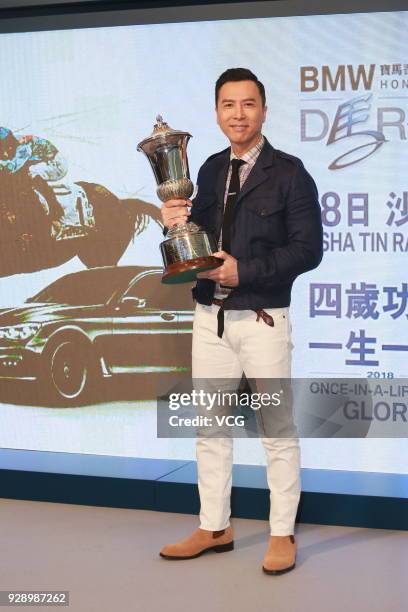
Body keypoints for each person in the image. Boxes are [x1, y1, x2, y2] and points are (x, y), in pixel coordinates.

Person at [159, 68, 323, 574]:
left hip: (263, 319)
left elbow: (309, 250)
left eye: (248, 104)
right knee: (209, 429)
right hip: (210, 318)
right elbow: (195, 245)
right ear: (216, 112)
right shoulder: (205, 170)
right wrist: (174, 225)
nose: (238, 114)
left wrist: (243, 269)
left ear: (264, 110)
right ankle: (215, 526)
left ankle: (282, 534)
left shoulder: (291, 172)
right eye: (228, 105)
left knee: (277, 427)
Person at [0, 126, 66, 225]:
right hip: (38, 161)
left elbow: (12, 167)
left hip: (56, 164)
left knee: (29, 172)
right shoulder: (11, 143)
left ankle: (55, 212)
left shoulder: (23, 145)